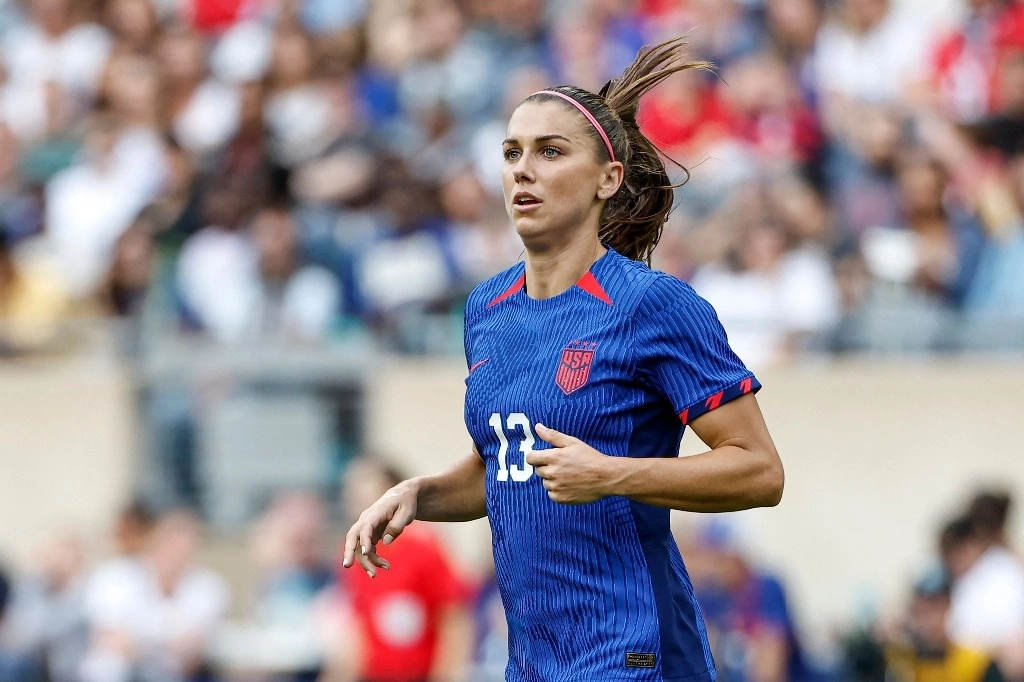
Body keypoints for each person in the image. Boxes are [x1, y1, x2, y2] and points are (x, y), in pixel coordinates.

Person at [343, 37, 785, 682]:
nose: (523, 169)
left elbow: (760, 472)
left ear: (608, 179)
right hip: (534, 660)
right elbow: (510, 469)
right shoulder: (487, 308)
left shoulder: (653, 305)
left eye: (550, 152)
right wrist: (420, 494)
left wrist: (612, 475)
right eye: (511, 153)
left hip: (636, 651)